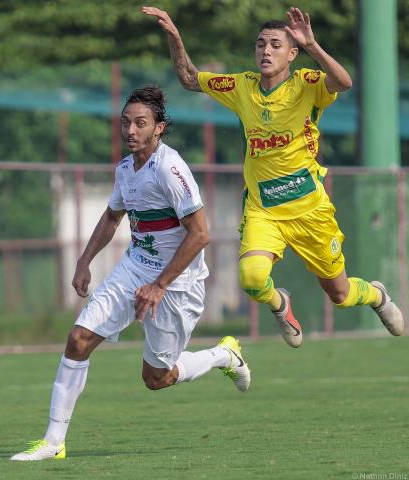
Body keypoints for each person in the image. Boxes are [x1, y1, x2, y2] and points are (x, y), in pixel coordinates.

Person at [10, 86, 251, 462]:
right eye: (126, 122)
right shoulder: (125, 169)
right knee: (78, 339)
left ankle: (223, 355)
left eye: (140, 123)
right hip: (134, 269)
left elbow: (201, 233)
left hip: (177, 287)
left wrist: (159, 285)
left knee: (157, 378)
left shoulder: (171, 170)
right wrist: (84, 261)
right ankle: (53, 442)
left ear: (159, 128)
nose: (131, 130)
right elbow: (112, 215)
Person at [142, 6, 404, 347]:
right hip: (263, 210)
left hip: (310, 211)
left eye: (276, 45)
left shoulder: (307, 83)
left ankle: (376, 296)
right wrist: (174, 35)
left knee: (339, 294)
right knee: (252, 278)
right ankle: (281, 305)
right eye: (261, 44)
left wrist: (313, 46)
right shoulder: (242, 87)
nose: (266, 50)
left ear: (292, 53)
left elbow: (343, 81)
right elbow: (191, 79)